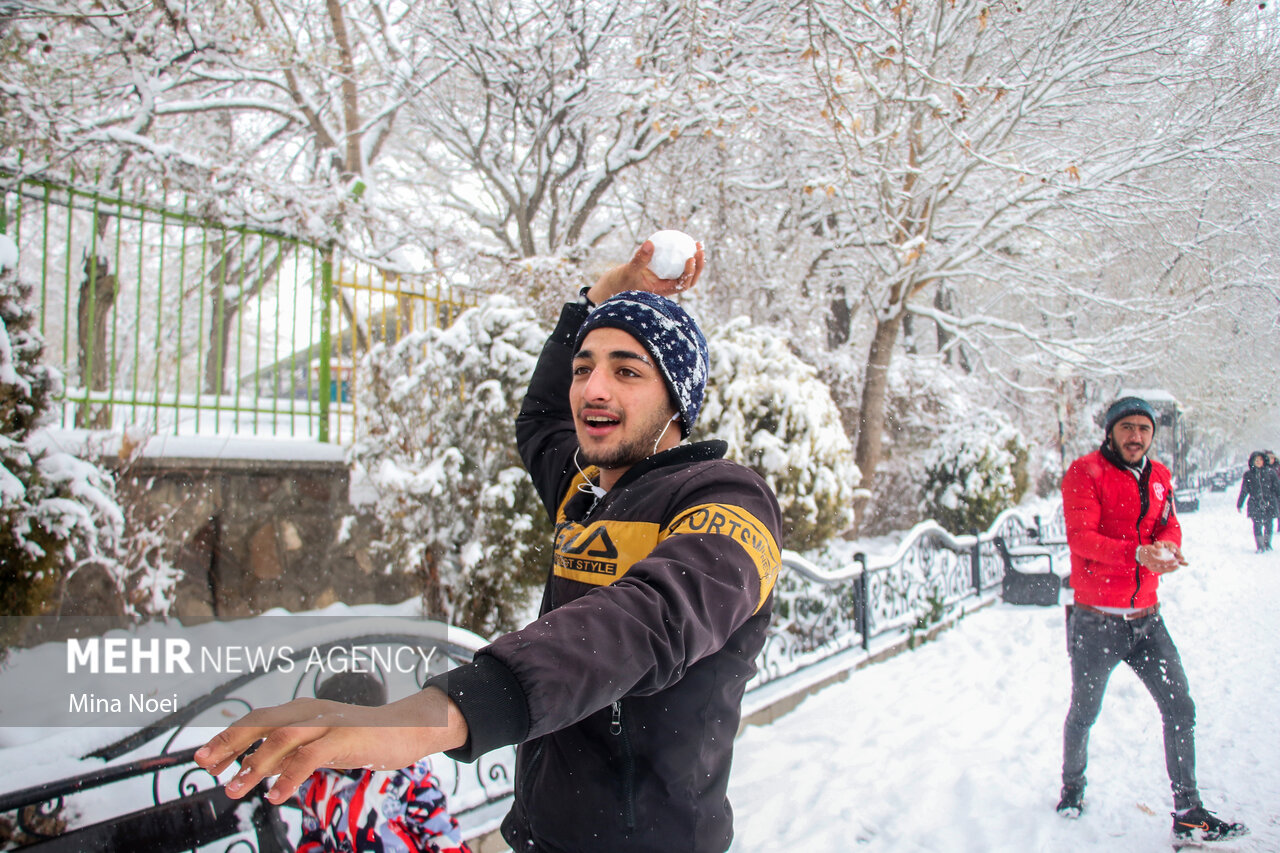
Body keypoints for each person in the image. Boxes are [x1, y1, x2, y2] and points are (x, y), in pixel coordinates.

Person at [194, 240, 785, 853]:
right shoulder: (586, 492)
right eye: (584, 368)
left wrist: (442, 714)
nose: (592, 390)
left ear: (678, 396)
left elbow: (653, 616)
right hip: (538, 835)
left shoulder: (728, 499)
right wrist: (596, 301)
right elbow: (540, 420)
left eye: (627, 370)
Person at [1055, 396, 1248, 845]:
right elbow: (1082, 539)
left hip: (1147, 620)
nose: (1136, 436)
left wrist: (1167, 546)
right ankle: (1071, 791)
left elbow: (1169, 523)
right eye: (1127, 428)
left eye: (1144, 428)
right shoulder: (1085, 473)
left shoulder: (1159, 476)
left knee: (1180, 707)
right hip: (1096, 620)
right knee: (1085, 712)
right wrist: (1137, 554)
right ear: (1111, 432)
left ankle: (1188, 812)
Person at [292, 673, 470, 853]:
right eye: (329, 730)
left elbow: (441, 833)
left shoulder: (401, 775)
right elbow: (312, 836)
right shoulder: (314, 782)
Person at [1236, 450, 1280, 552]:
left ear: (1264, 460)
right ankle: (1260, 546)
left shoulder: (1271, 473)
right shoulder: (1248, 475)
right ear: (1252, 461)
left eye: (1260, 459)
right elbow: (1244, 490)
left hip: (1269, 502)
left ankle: (1267, 543)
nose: (1258, 462)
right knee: (1257, 524)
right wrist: (1240, 503)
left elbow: (1277, 488)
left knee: (1269, 524)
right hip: (1255, 503)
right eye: (1256, 460)